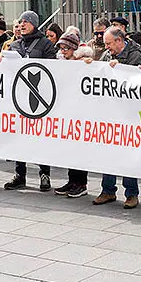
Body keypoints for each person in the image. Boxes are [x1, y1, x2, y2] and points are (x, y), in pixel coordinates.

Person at [0, 10, 58, 191]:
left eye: (26, 21)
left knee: (41, 137)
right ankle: (20, 174)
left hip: (39, 97)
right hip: (18, 97)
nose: (22, 24)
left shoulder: (45, 44)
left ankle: (44, 174)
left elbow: (53, 67)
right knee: (18, 136)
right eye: (20, 21)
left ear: (34, 23)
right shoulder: (14, 45)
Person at [94, 27, 141, 208]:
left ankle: (131, 193)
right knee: (108, 152)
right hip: (110, 112)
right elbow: (98, 73)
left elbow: (136, 79)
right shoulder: (108, 56)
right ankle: (108, 190)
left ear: (119, 41)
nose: (106, 47)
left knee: (127, 153)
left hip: (128, 113)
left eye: (109, 43)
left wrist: (121, 69)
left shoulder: (135, 55)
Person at [51, 32, 90, 198]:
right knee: (69, 148)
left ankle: (81, 183)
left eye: (66, 48)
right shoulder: (61, 63)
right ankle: (72, 180)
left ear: (74, 49)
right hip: (66, 110)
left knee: (79, 149)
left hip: (80, 112)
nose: (63, 51)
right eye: (61, 47)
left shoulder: (83, 62)